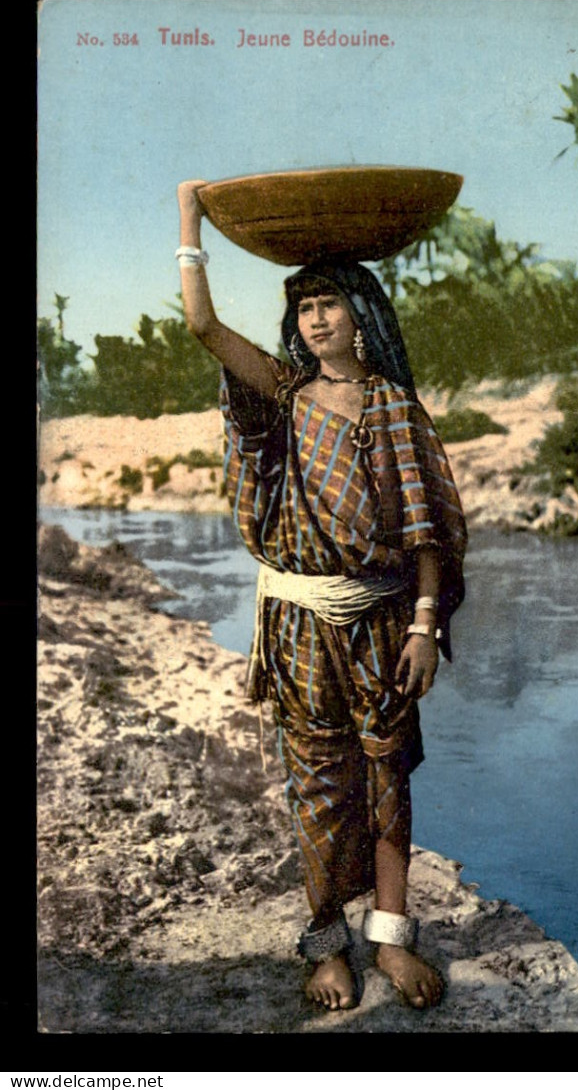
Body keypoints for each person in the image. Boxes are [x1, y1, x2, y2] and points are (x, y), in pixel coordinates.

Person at [177, 179, 467, 1011]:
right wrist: (191, 217)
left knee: (387, 778)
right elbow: (202, 325)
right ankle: (326, 946)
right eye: (302, 305)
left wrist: (422, 629)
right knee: (317, 786)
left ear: (362, 315)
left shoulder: (392, 407)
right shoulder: (284, 394)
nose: (313, 319)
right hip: (300, 623)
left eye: (329, 303)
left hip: (383, 622)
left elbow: (426, 533)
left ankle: (391, 941)